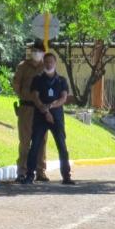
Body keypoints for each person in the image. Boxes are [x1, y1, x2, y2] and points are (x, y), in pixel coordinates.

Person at [24, 52, 75, 185]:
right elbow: (35, 96)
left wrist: (51, 106)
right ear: (43, 63)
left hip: (57, 118)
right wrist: (45, 111)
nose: (49, 64)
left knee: (62, 146)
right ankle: (29, 175)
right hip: (40, 116)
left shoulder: (61, 80)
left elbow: (63, 98)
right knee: (34, 145)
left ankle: (66, 176)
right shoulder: (38, 79)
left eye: (51, 61)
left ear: (55, 63)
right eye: (46, 62)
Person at [13, 41, 48, 183]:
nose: (36, 53)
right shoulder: (23, 66)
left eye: (39, 51)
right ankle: (22, 171)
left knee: (42, 141)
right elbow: (16, 84)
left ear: (43, 53)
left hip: (41, 109)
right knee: (25, 141)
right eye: (34, 50)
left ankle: (41, 171)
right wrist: (23, 95)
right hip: (26, 108)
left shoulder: (46, 67)